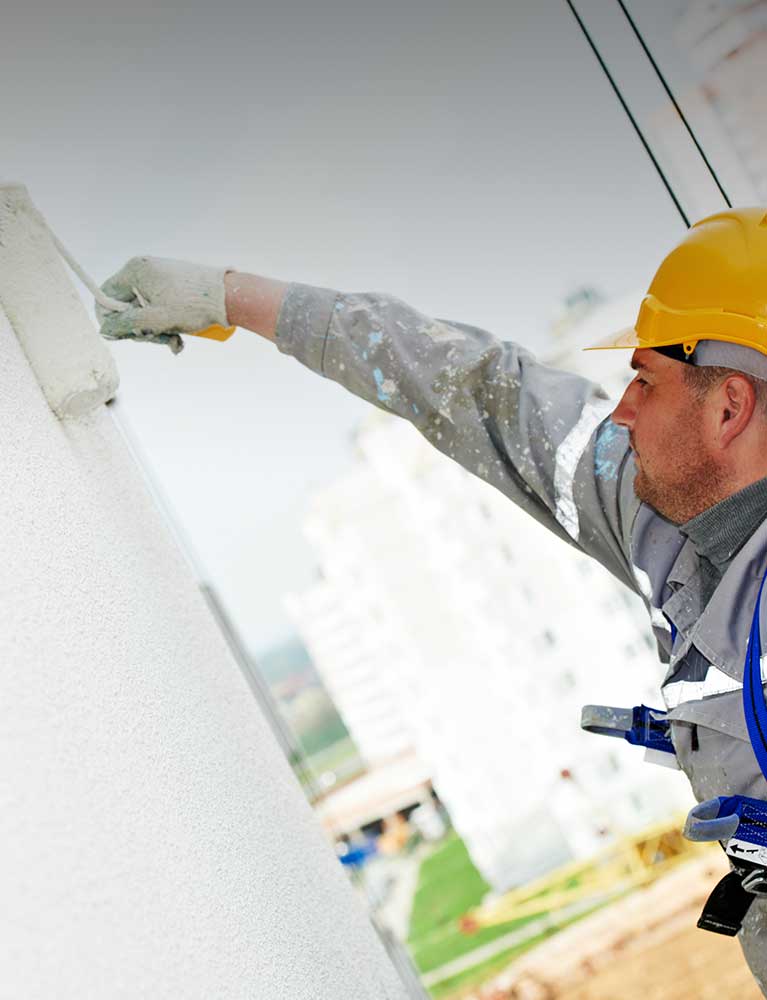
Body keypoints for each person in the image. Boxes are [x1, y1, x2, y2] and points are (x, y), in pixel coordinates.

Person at [97, 207, 767, 993]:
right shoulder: (664, 518)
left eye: (643, 379)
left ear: (727, 406)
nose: (620, 408)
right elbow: (480, 392)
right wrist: (232, 298)